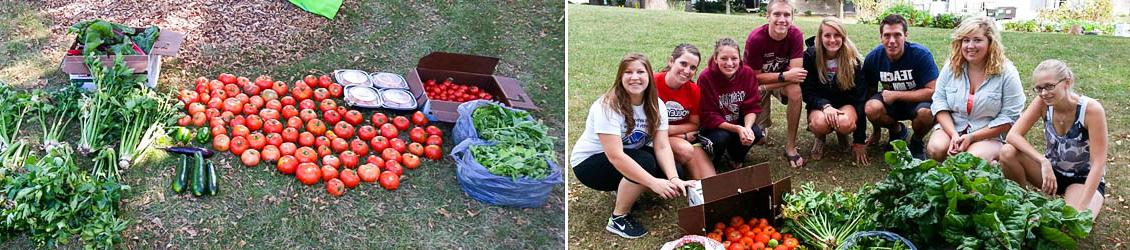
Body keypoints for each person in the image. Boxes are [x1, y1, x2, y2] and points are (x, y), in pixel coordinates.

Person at [569, 53, 692, 239]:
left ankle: (625, 187)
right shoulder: (607, 106)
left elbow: (662, 146)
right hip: (589, 165)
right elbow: (615, 156)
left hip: (627, 154)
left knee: (676, 171)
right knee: (645, 163)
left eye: (640, 72)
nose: (635, 77)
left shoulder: (656, 105)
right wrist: (653, 182)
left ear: (649, 76)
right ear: (620, 77)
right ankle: (618, 218)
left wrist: (673, 178)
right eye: (628, 72)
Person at [999, 59, 1107, 220]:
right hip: (1052, 173)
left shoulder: (1091, 110)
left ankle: (1078, 202)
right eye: (1039, 88)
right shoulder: (1043, 103)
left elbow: (1099, 162)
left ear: (1067, 82)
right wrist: (1044, 161)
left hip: (1082, 179)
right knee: (1007, 152)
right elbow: (1013, 135)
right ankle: (1021, 203)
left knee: (1073, 222)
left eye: (1049, 86)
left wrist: (1083, 206)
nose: (1044, 93)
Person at [926, 16, 1025, 161]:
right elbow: (939, 102)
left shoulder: (1007, 72)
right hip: (954, 126)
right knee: (936, 148)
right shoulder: (951, 67)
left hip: (990, 134)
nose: (970, 46)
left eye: (977, 40)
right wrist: (953, 134)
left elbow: (1010, 117)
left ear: (990, 43)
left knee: (971, 158)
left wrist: (972, 137)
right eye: (966, 40)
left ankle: (992, 166)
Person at [861, 14, 939, 159]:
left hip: (917, 101)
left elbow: (933, 91)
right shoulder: (873, 58)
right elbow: (869, 93)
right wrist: (876, 130)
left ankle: (916, 141)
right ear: (881, 37)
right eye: (887, 35)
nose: (892, 41)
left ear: (906, 36)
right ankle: (897, 130)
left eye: (897, 35)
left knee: (926, 114)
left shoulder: (921, 55)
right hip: (890, 102)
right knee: (871, 107)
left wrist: (897, 94)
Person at [743, 0, 807, 167]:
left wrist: (780, 79)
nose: (782, 19)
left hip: (778, 82)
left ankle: (791, 146)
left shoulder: (796, 35)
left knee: (795, 91)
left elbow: (797, 75)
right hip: (760, 84)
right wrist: (783, 75)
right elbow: (753, 78)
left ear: (792, 18)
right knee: (759, 139)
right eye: (777, 14)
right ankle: (763, 126)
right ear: (767, 16)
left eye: (787, 15)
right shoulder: (755, 38)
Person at [800, 17, 870, 164]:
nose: (832, 40)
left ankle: (842, 133)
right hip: (820, 106)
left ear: (843, 36)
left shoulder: (853, 59)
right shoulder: (810, 56)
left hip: (846, 104)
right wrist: (825, 106)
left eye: (837, 35)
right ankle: (820, 137)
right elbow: (807, 91)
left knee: (845, 123)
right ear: (820, 37)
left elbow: (860, 98)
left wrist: (859, 140)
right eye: (827, 35)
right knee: (819, 124)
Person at [698, 37, 764, 171]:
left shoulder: (747, 73)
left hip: (736, 120)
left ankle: (735, 156)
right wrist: (737, 129)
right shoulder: (706, 77)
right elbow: (708, 115)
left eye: (734, 58)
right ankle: (713, 159)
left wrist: (747, 128)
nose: (729, 63)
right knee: (722, 137)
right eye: (724, 58)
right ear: (715, 58)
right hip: (714, 126)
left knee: (755, 132)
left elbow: (751, 106)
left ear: (740, 59)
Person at [656, 44, 716, 179]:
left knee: (711, 181)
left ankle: (681, 171)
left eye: (693, 67)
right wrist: (682, 135)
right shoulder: (652, 83)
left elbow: (694, 125)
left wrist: (671, 131)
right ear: (671, 61)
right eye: (683, 64)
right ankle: (673, 170)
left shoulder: (694, 90)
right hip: (654, 138)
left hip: (680, 137)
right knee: (685, 150)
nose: (687, 70)